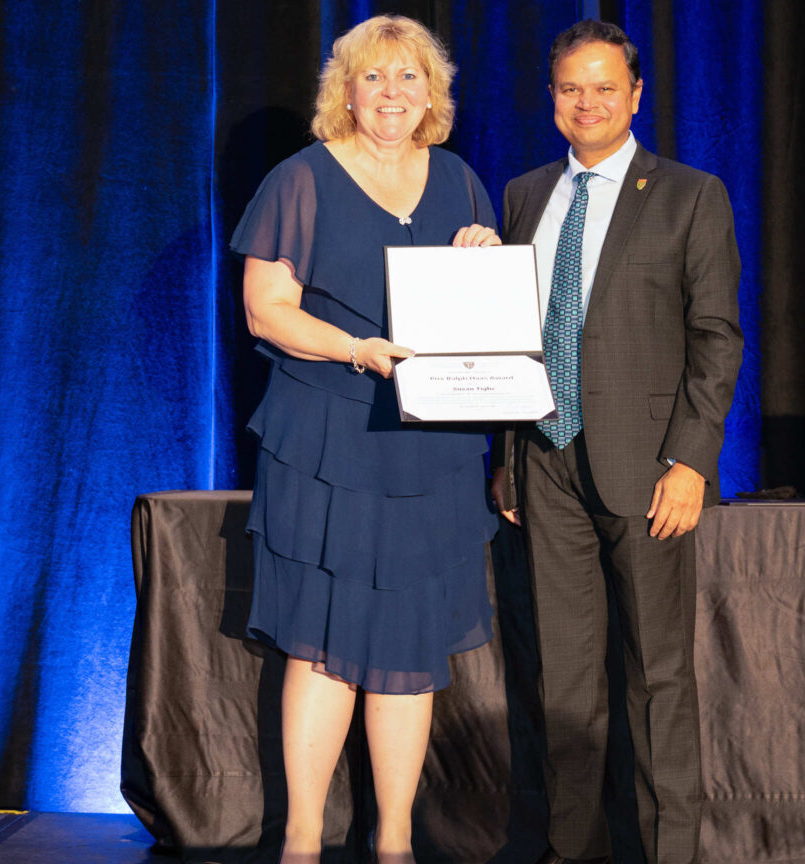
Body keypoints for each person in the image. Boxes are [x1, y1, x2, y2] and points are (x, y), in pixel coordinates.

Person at [229, 15, 500, 864]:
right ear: (344, 91)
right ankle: (304, 841)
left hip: (429, 448)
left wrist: (484, 259)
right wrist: (354, 348)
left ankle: (395, 842)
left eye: (409, 78)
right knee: (325, 643)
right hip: (327, 440)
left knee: (408, 650)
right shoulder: (299, 180)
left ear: (433, 94)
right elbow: (264, 310)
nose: (392, 94)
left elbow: (488, 319)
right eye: (374, 78)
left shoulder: (459, 182)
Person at [489, 19, 742, 864]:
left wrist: (691, 461)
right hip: (545, 466)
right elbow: (512, 335)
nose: (587, 102)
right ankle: (572, 852)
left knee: (656, 680)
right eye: (571, 88)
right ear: (552, 98)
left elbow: (716, 338)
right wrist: (509, 462)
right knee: (564, 684)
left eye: (605, 87)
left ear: (636, 95)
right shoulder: (524, 194)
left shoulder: (689, 194)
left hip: (648, 469)